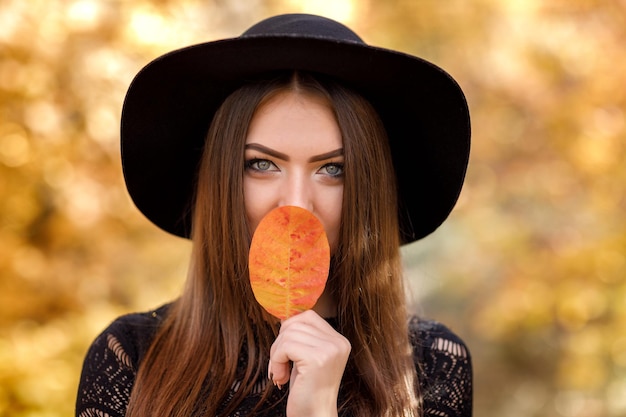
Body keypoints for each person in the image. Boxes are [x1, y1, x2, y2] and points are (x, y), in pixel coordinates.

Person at [76, 13, 472, 417]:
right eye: (262, 164)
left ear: (368, 189)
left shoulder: (430, 367)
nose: (297, 204)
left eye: (333, 169)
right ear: (221, 177)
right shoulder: (131, 357)